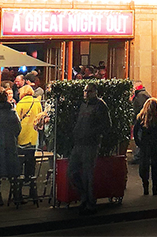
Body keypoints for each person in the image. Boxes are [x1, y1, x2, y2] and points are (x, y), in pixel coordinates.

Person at [68, 83, 111, 215]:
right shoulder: (83, 105)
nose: (86, 93)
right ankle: (84, 197)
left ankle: (90, 202)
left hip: (90, 144)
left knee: (88, 174)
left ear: (95, 92)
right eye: (85, 91)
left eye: (89, 91)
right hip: (79, 143)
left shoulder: (100, 105)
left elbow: (107, 125)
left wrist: (92, 133)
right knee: (71, 172)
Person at [133, 97, 157, 195]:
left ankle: (145, 186)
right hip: (155, 144)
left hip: (144, 144)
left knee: (144, 166)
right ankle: (155, 187)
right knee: (156, 166)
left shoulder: (140, 117)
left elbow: (135, 130)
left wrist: (138, 142)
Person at [16, 84, 42, 187]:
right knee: (31, 158)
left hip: (22, 135)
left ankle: (20, 180)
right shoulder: (37, 102)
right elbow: (40, 116)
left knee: (20, 159)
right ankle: (30, 178)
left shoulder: (21, 103)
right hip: (33, 134)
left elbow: (17, 119)